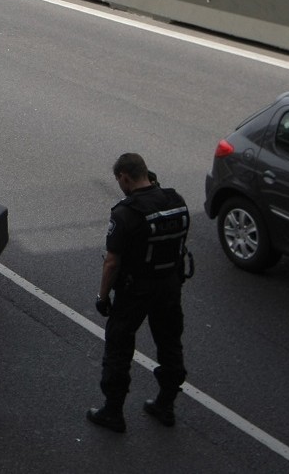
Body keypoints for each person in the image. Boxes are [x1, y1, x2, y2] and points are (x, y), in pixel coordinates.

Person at [87, 152, 190, 433]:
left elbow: (112, 262)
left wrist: (102, 296)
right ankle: (166, 405)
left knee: (119, 348)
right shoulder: (175, 201)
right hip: (169, 285)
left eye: (119, 180)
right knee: (170, 343)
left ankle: (113, 411)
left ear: (125, 177)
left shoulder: (126, 213)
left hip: (135, 290)